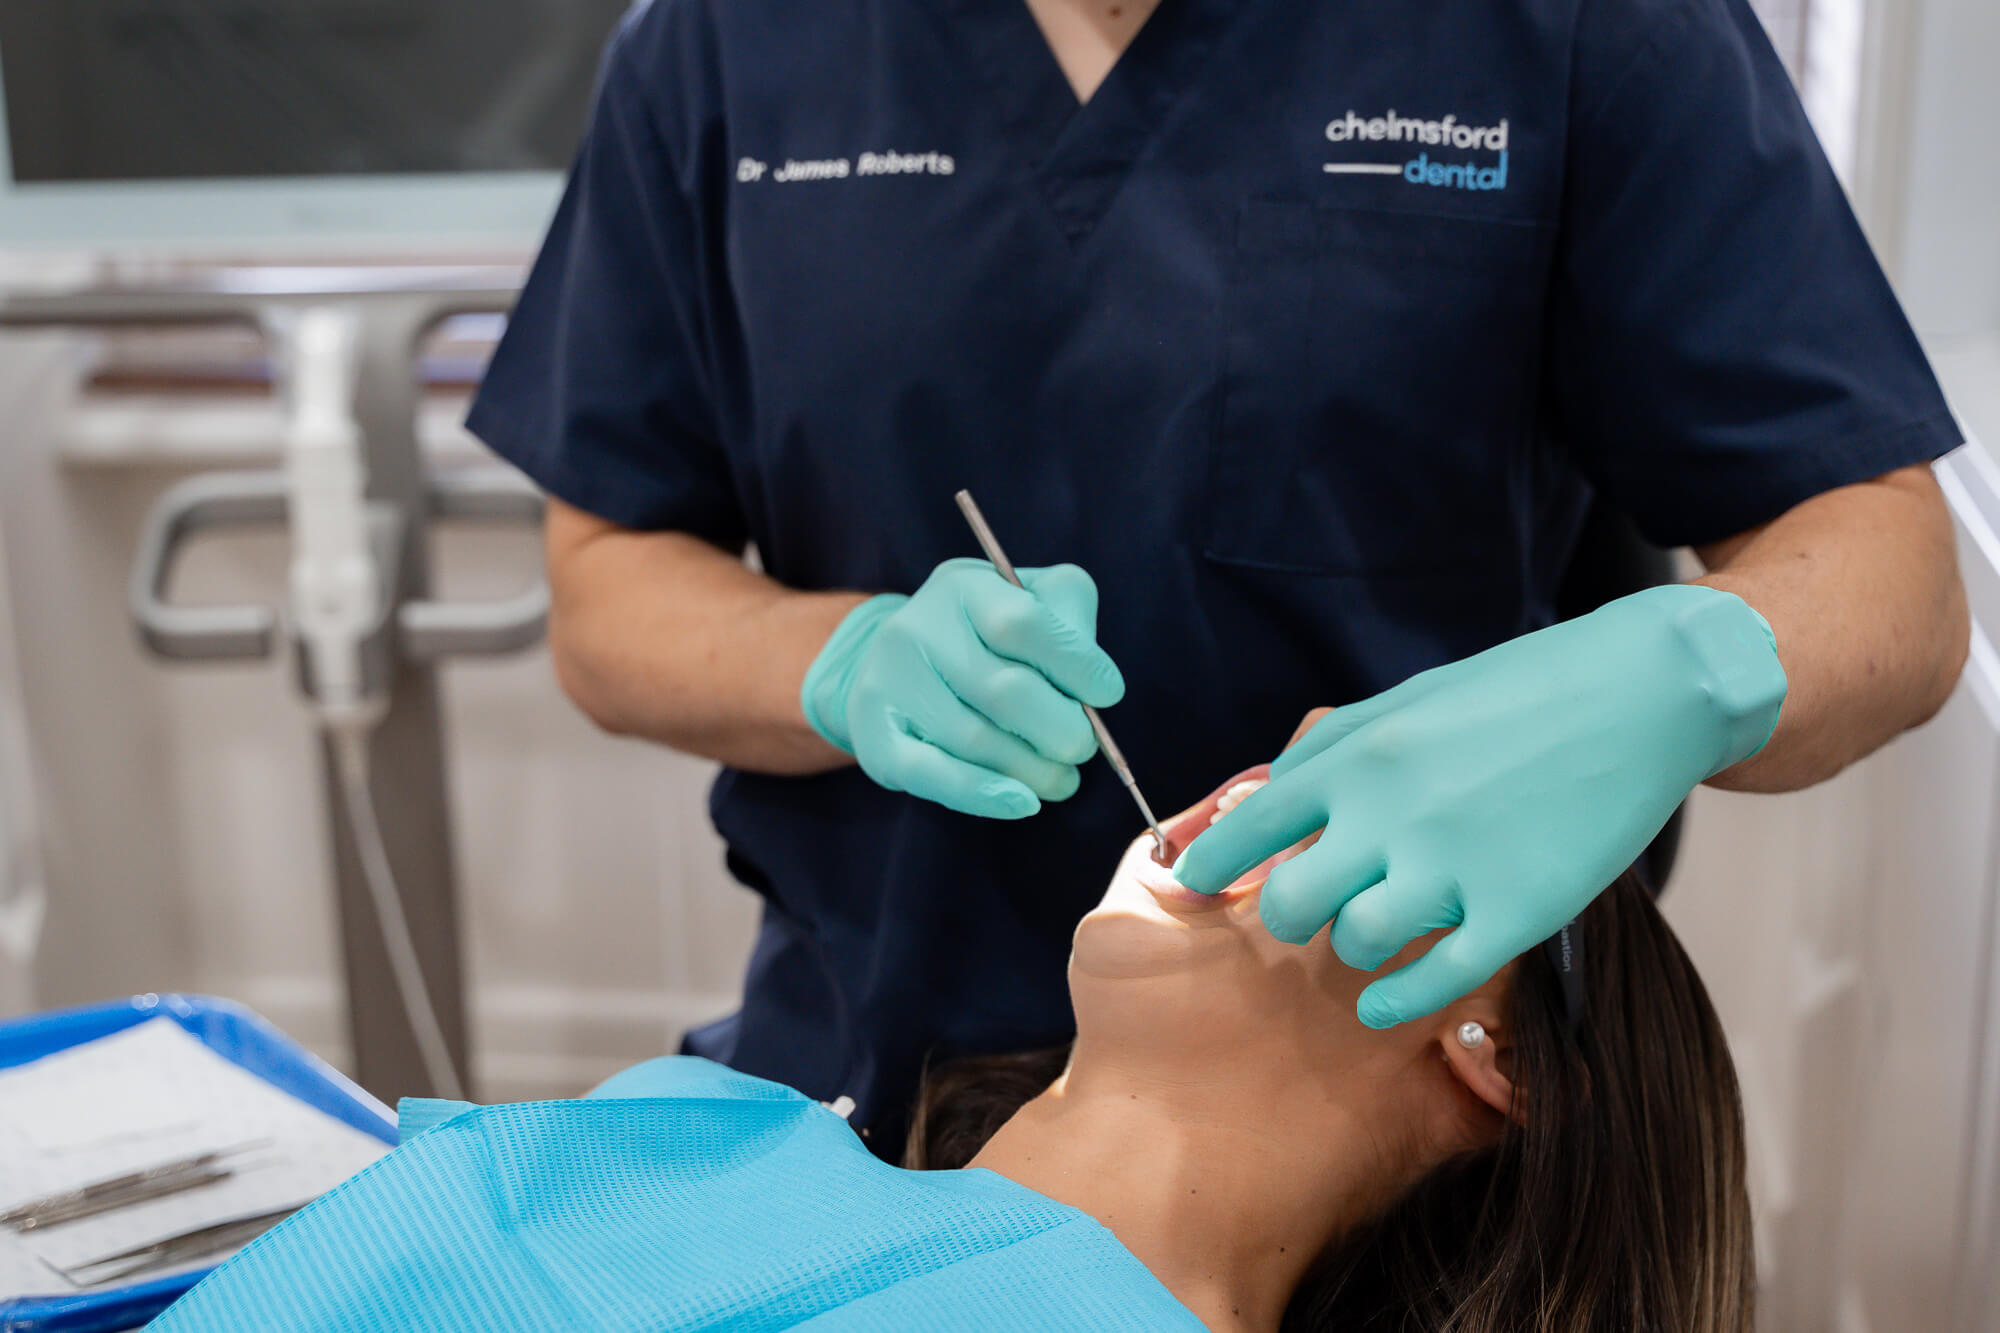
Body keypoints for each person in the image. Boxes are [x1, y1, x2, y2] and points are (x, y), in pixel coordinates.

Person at [466, 0, 1969, 1148]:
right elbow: (606, 582)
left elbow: (1893, 575)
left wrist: (1692, 673)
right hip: (876, 1084)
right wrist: (841, 663)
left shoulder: (1574, 30)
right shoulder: (727, 44)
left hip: (1388, 1118)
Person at [150, 729, 1753, 1332]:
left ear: (1500, 1048)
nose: (1273, 771)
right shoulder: (719, 1117)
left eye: (1370, 798)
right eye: (1301, 749)